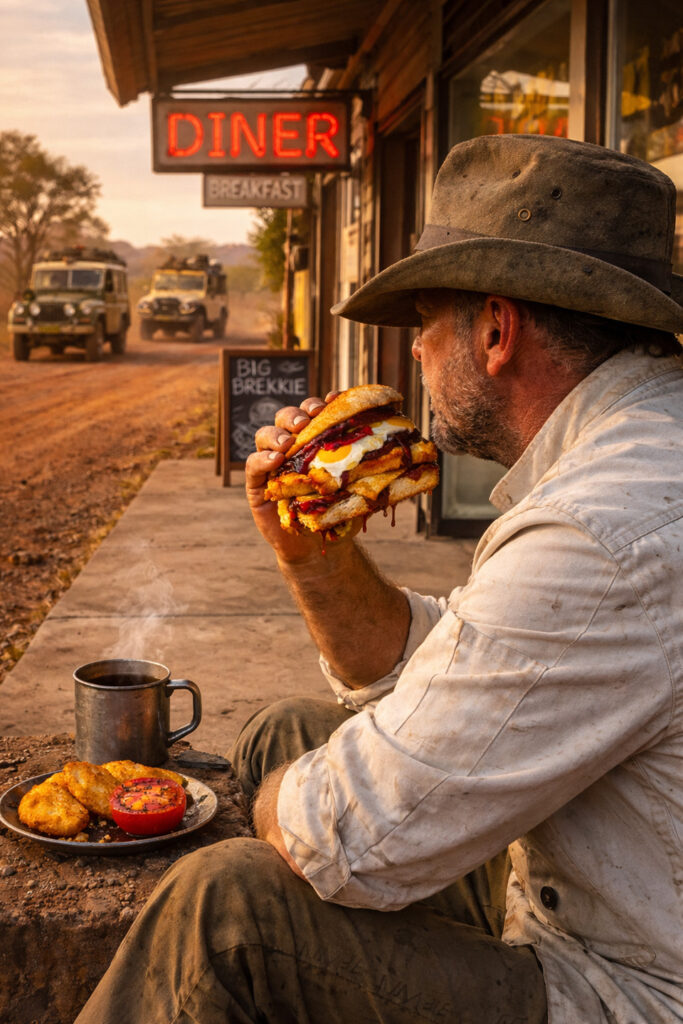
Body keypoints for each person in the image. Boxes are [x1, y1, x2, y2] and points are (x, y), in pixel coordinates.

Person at [76, 134, 683, 1024]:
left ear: (495, 329)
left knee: (228, 905)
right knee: (288, 729)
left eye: (423, 324)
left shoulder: (600, 527)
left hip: (629, 983)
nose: (415, 356)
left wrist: (280, 808)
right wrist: (311, 556)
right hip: (592, 883)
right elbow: (484, 661)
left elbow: (346, 837)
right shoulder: (628, 454)